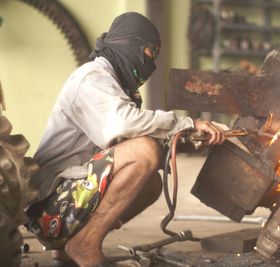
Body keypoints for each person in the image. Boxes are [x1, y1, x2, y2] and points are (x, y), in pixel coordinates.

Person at [26, 12, 225, 267]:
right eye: (150, 51)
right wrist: (185, 123)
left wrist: (188, 136)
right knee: (145, 152)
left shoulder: (113, 84)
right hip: (49, 210)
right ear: (129, 45)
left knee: (151, 181)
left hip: (64, 205)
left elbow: (120, 146)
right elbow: (122, 125)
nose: (152, 61)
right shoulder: (92, 77)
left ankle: (67, 248)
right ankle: (84, 245)